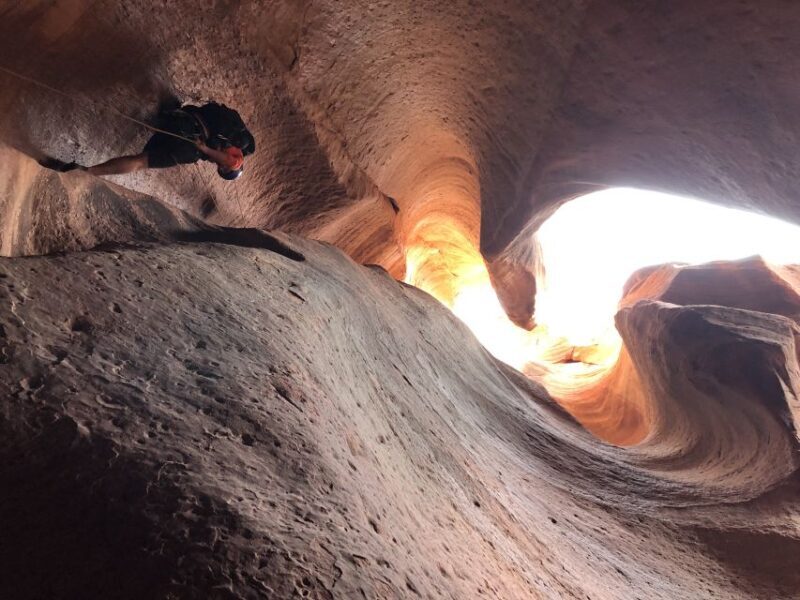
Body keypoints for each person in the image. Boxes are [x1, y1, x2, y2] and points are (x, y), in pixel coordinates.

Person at [40, 101, 255, 180]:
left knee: (144, 154)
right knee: (141, 161)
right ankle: (87, 172)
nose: (223, 169)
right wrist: (204, 150)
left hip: (182, 120)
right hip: (190, 143)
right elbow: (228, 160)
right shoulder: (236, 157)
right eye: (224, 171)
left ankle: (86, 171)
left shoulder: (229, 128)